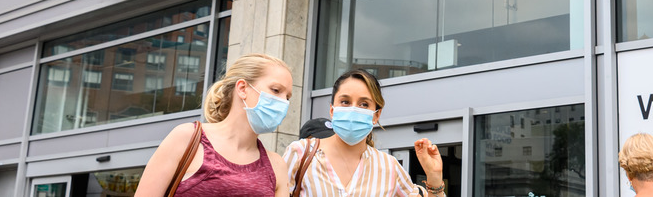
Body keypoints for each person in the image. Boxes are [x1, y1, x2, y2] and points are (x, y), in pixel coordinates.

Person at [135, 53, 293, 196]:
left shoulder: (276, 165)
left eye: (287, 97)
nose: (283, 103)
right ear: (243, 88)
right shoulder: (187, 138)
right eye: (276, 90)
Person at [284, 69, 446, 196]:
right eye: (345, 102)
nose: (353, 109)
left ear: (376, 115)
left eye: (364, 104)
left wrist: (434, 177)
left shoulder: (389, 167)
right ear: (332, 110)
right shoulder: (300, 153)